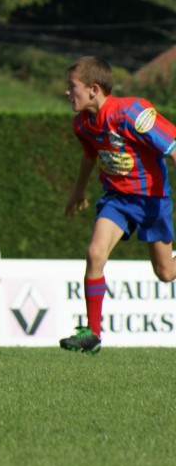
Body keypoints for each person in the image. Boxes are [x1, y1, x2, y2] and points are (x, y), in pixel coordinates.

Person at [61, 55, 176, 355]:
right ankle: (93, 334)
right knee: (95, 253)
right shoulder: (82, 124)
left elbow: (173, 146)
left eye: (72, 86)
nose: (67, 92)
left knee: (165, 273)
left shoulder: (131, 112)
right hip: (117, 200)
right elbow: (89, 155)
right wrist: (78, 191)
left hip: (152, 200)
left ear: (94, 89)